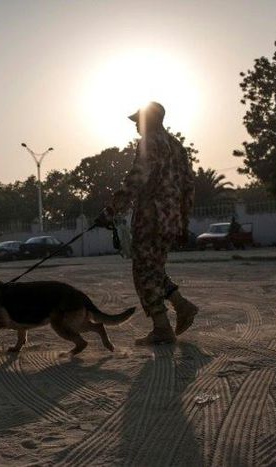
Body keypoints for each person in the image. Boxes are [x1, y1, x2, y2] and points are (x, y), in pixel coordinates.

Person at [95, 102, 198, 345]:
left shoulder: (150, 142)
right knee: (154, 269)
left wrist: (111, 210)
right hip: (170, 220)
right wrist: (183, 223)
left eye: (138, 122)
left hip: (150, 218)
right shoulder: (176, 146)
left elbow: (138, 178)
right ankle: (182, 306)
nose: (136, 128)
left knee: (143, 271)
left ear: (151, 120)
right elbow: (188, 187)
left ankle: (162, 328)